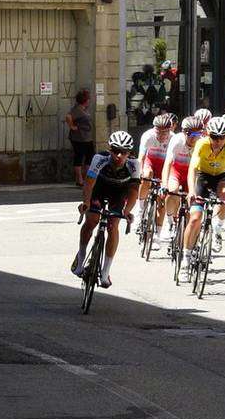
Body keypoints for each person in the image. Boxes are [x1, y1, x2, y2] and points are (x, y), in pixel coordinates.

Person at [71, 131, 140, 289]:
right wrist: (86, 203)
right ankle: (81, 259)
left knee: (113, 225)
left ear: (129, 153)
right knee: (92, 220)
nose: (119, 155)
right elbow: (89, 183)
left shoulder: (134, 164)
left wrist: (127, 210)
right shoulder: (99, 159)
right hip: (99, 189)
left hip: (119, 192)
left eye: (124, 152)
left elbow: (134, 191)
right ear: (110, 149)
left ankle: (105, 271)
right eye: (115, 150)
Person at [180, 116, 225, 281]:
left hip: (222, 176)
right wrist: (191, 190)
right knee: (195, 218)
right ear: (208, 135)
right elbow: (192, 169)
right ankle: (185, 260)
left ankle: (217, 229)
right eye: (214, 137)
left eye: (222, 137)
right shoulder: (201, 144)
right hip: (203, 176)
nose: (218, 141)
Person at [161, 114, 204, 226]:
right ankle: (170, 222)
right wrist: (164, 184)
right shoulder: (177, 140)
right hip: (177, 171)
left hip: (194, 174)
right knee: (172, 191)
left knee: (193, 205)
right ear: (184, 132)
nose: (193, 138)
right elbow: (168, 163)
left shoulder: (202, 143)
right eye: (190, 134)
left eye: (197, 134)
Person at [137, 113, 173, 248]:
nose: (162, 136)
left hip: (164, 167)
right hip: (150, 163)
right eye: (159, 132)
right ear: (154, 129)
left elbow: (171, 164)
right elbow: (141, 157)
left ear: (170, 130)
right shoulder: (148, 136)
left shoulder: (173, 139)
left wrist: (166, 183)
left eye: (165, 132)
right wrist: (139, 174)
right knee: (146, 175)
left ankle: (157, 235)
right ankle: (140, 209)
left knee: (162, 200)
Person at [65, 89, 94, 187]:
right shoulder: (77, 109)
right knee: (79, 157)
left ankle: (86, 178)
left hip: (87, 138)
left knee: (89, 157)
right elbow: (68, 117)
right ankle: (80, 180)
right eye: (88, 99)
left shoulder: (84, 109)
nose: (89, 101)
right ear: (85, 100)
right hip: (79, 138)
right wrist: (72, 126)